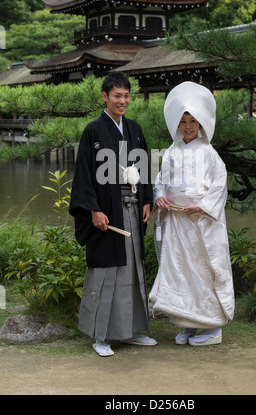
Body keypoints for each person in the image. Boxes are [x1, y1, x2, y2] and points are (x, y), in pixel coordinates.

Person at [69, 72, 157, 356]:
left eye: (126, 95)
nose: (123, 101)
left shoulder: (135, 129)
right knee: (106, 272)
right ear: (104, 97)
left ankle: (130, 331)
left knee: (132, 269)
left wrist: (146, 200)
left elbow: (143, 168)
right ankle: (101, 336)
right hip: (106, 213)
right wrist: (93, 209)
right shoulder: (93, 131)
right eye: (117, 95)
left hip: (131, 208)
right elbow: (83, 174)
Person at [149, 81, 235, 346]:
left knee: (203, 271)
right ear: (177, 123)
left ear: (201, 123)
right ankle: (186, 322)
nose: (188, 126)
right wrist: (159, 196)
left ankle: (211, 327)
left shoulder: (210, 154)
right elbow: (160, 181)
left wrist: (203, 206)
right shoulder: (171, 152)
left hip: (200, 222)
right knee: (179, 272)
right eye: (183, 120)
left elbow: (219, 185)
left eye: (193, 120)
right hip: (176, 220)